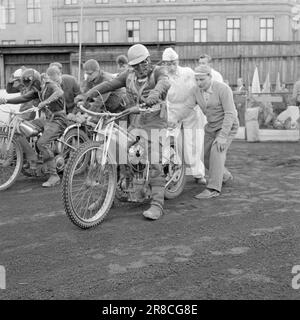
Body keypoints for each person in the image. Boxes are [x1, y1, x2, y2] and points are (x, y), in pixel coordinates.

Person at [75, 44, 171, 221]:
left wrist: (154, 95)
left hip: (155, 122)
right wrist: (87, 94)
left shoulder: (158, 72)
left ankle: (157, 204)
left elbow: (164, 83)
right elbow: (110, 84)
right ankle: (107, 198)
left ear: (148, 60)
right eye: (134, 65)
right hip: (136, 120)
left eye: (141, 64)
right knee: (117, 155)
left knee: (154, 160)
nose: (138, 68)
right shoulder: (129, 75)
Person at [0, 68, 67, 187]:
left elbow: (59, 92)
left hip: (58, 120)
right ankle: (33, 158)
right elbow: (24, 98)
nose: (32, 89)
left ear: (36, 81)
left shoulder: (50, 85)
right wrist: (6, 100)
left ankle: (54, 176)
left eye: (32, 85)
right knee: (20, 128)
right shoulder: (38, 89)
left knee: (42, 143)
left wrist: (46, 101)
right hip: (46, 119)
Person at [191, 65, 239, 199]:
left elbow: (230, 113)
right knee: (205, 158)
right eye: (197, 80)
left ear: (210, 77)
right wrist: (174, 119)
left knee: (217, 152)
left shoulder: (223, 89)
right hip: (211, 126)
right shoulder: (196, 90)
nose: (199, 83)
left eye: (202, 79)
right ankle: (224, 176)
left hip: (227, 126)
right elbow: (188, 106)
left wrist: (223, 136)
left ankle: (213, 188)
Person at [161, 47, 206, 185]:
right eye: (168, 63)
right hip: (173, 112)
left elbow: (200, 85)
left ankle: (198, 174)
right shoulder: (161, 76)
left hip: (191, 111)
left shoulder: (188, 73)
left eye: (173, 63)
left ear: (178, 61)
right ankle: (168, 171)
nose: (171, 66)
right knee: (168, 141)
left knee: (193, 144)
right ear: (164, 64)